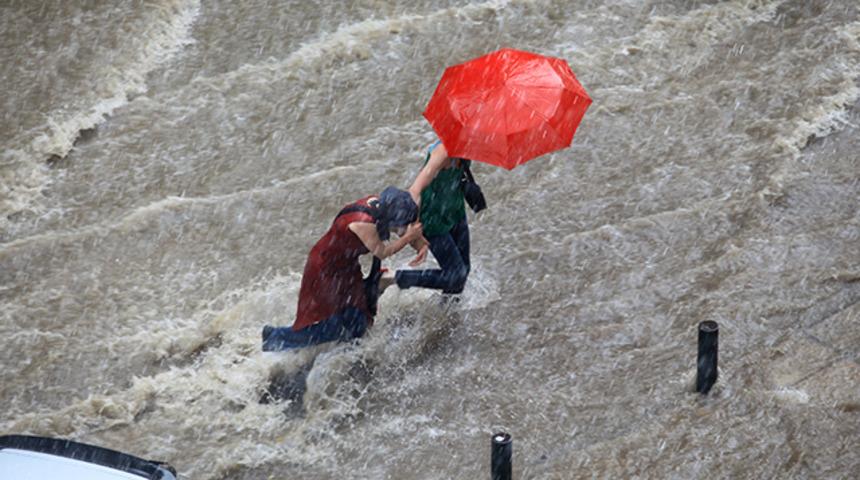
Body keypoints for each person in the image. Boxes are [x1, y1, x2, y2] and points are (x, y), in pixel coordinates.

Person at [262, 187, 422, 351]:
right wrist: (409, 237)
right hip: (325, 269)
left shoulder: (382, 206)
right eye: (401, 223)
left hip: (345, 264)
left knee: (357, 315)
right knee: (338, 323)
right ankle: (276, 337)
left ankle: (347, 346)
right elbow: (382, 252)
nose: (402, 228)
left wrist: (419, 242)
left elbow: (402, 229)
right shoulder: (363, 222)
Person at [383, 140, 472, 295]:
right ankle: (391, 278)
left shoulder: (467, 146)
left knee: (463, 271)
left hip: (455, 212)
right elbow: (415, 191)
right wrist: (415, 234)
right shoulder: (442, 152)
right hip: (432, 220)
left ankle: (447, 314)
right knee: (456, 276)